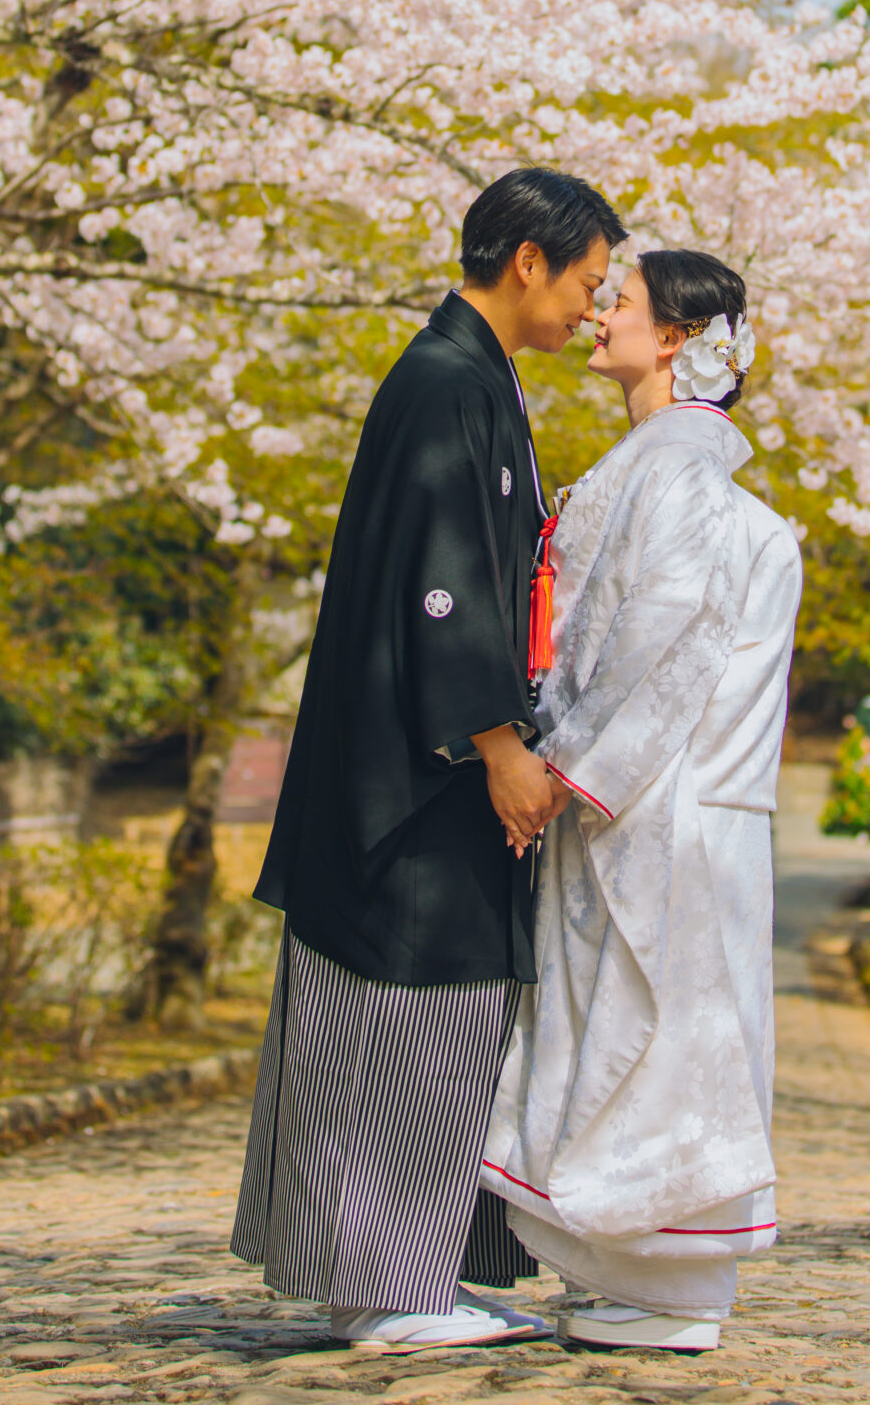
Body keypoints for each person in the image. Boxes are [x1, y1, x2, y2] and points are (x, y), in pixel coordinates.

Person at [231, 167, 624, 1350]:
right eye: (589, 285)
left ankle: (407, 1269)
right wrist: (498, 740)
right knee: (405, 1000)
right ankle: (384, 1284)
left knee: (432, 1008)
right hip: (417, 769)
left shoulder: (470, 378)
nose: (593, 314)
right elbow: (443, 589)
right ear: (526, 261)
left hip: (426, 756)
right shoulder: (447, 380)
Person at [481, 248, 802, 1354]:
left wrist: (561, 766)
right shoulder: (680, 472)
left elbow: (661, 638)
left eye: (619, 301)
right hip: (672, 803)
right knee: (648, 1029)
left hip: (660, 807)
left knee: (647, 1028)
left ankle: (662, 1283)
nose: (599, 311)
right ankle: (641, 1276)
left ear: (674, 338)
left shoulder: (677, 479)